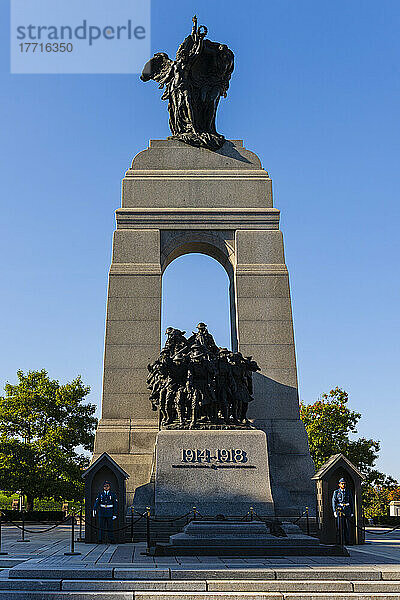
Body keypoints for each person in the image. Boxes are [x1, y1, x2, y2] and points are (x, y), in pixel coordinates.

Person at [332, 478, 354, 545]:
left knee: (347, 527)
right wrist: (334, 511)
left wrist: (352, 512)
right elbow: (334, 502)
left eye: (344, 483)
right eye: (342, 483)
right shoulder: (336, 492)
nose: (343, 485)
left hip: (347, 510)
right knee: (340, 527)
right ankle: (340, 541)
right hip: (340, 510)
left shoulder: (348, 491)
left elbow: (351, 502)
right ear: (339, 484)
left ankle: (348, 541)